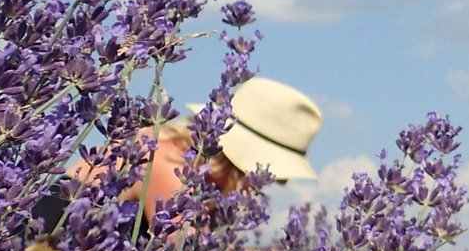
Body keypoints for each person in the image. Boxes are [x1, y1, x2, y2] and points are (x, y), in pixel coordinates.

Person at [36, 77, 324, 232]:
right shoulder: (163, 159)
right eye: (268, 177)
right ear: (242, 165)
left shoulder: (197, 178)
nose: (265, 188)